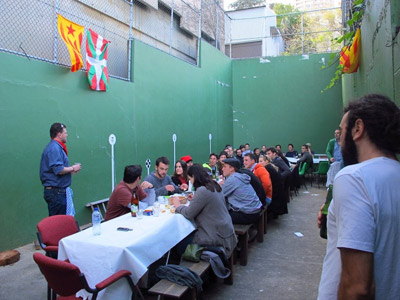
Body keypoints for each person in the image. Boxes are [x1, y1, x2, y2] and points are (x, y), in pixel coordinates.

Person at [317, 94, 400, 300]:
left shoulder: (354, 177)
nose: (340, 141)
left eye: (341, 133)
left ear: (357, 128)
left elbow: (357, 288)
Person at [173, 164, 237, 258]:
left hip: (216, 236)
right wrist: (195, 199)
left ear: (194, 177)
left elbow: (189, 213)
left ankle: (185, 267)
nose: (191, 181)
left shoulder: (202, 190)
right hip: (226, 231)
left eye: (190, 179)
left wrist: (178, 206)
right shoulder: (213, 185)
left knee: (179, 241)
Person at [40, 123, 82, 216]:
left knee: (61, 222)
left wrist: (70, 171)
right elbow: (58, 170)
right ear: (59, 134)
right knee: (58, 224)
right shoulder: (54, 148)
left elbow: (56, 170)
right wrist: (72, 168)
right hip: (56, 194)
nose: (67, 135)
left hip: (57, 192)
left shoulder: (55, 147)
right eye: (65, 133)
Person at [219, 158, 262, 224]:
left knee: (217, 216)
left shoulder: (232, 179)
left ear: (232, 168)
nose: (222, 169)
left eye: (224, 167)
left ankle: (230, 234)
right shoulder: (239, 176)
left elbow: (219, 194)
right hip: (255, 210)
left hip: (248, 214)